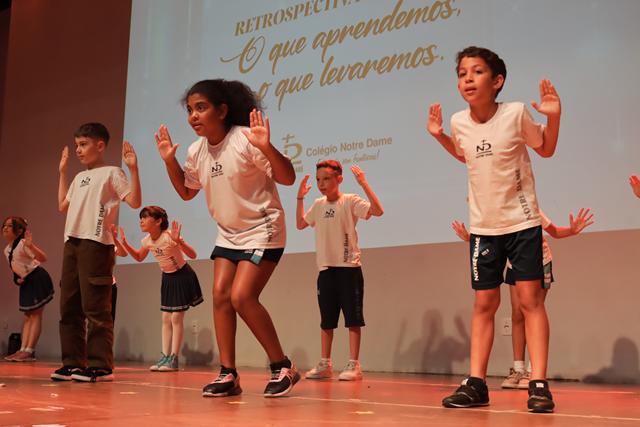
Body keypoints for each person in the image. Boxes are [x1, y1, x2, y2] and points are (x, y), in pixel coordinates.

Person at [427, 46, 561, 412]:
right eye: (462, 74)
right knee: (484, 303)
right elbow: (465, 154)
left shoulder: (515, 113)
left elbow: (546, 149)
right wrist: (440, 136)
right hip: (483, 227)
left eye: (477, 72)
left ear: (497, 80)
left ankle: (538, 383)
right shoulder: (459, 122)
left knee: (530, 301)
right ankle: (476, 383)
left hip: (522, 223)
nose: (467, 79)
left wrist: (554, 117)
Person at [154, 79, 298, 397]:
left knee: (242, 297)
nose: (193, 116)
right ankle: (228, 373)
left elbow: (287, 177)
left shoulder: (245, 138)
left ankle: (283, 366)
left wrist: (266, 146)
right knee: (220, 296)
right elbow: (187, 191)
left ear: (222, 111)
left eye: (201, 108)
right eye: (190, 110)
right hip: (229, 234)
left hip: (263, 229)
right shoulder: (196, 150)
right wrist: (168, 161)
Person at [452, 207, 594, 389]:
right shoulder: (495, 210)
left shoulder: (528, 206)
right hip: (514, 264)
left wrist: (572, 230)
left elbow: (554, 232)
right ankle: (518, 369)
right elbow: (494, 240)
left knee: (531, 309)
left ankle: (534, 372)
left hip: (539, 262)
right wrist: (469, 238)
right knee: (517, 314)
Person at [52, 122, 141, 382]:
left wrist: (133, 169)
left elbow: (134, 201)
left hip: (97, 243)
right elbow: (62, 206)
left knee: (95, 307)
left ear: (100, 145)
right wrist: (62, 172)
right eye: (76, 145)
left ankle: (100, 365)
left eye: (83, 144)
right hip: (72, 242)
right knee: (69, 306)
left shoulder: (113, 172)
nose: (78, 150)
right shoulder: (79, 178)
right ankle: (72, 362)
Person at [296, 161, 383, 381]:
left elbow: (378, 211)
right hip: (325, 270)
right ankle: (325, 364)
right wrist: (299, 199)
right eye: (318, 180)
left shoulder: (350, 200)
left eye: (326, 179)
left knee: (353, 319)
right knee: (327, 320)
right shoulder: (318, 204)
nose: (321, 184)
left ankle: (354, 364)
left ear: (339, 179)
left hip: (348, 268)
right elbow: (300, 224)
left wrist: (363, 183)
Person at [118, 206, 203, 372]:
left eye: (145, 217)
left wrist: (180, 242)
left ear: (158, 221)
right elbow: (139, 257)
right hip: (168, 278)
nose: (141, 221)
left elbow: (193, 255)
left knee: (176, 318)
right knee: (165, 318)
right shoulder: (147, 241)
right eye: (140, 218)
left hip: (182, 276)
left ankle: (174, 359)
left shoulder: (169, 236)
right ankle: (165, 356)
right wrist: (125, 244)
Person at [2, 217, 54, 362]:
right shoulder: (7, 250)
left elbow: (43, 258)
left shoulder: (23, 244)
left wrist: (31, 246)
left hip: (37, 278)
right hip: (27, 281)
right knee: (27, 316)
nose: (5, 228)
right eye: (4, 225)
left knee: (35, 315)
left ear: (19, 230)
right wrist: (17, 280)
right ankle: (23, 349)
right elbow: (15, 268)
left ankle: (29, 350)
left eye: (9, 226)